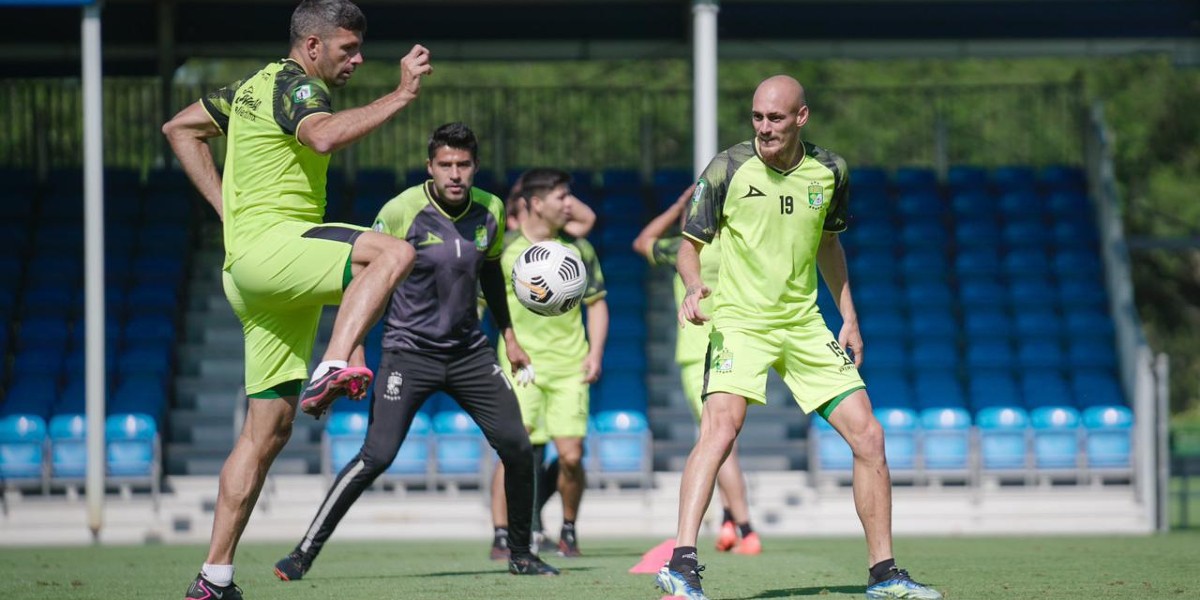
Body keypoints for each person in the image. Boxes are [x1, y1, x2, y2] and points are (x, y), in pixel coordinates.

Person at [161, 2, 431, 597]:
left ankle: (214, 575)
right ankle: (336, 362)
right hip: (279, 248)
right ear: (312, 46)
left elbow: (179, 128)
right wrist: (402, 95)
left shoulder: (251, 87)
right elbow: (325, 136)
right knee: (395, 253)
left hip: (252, 267)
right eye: (346, 49)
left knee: (267, 431)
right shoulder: (296, 87)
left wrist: (227, 211)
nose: (356, 59)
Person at [656, 75, 942, 600]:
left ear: (801, 118)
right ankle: (681, 563)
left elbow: (829, 245)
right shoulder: (727, 167)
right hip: (740, 321)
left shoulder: (831, 171)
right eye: (757, 118)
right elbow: (687, 246)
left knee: (869, 436)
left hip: (805, 323)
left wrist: (848, 316)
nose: (764, 128)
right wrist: (695, 287)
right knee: (721, 430)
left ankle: (884, 574)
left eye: (776, 118)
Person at [271, 122, 559, 579]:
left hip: (470, 354)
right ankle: (302, 553)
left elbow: (489, 275)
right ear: (430, 167)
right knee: (377, 456)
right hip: (408, 353)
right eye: (445, 164)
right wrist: (355, 349)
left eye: (464, 165)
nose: (455, 173)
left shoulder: (492, 210)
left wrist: (509, 336)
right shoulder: (401, 211)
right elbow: (361, 279)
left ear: (475, 167)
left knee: (518, 448)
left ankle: (522, 555)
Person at [632, 184, 761, 556]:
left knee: (718, 441)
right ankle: (726, 519)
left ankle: (745, 528)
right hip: (739, 347)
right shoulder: (739, 244)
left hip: (698, 354)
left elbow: (643, 241)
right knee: (722, 440)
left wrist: (674, 205)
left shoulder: (685, 249)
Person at [488, 168, 608, 558]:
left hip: (570, 365)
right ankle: (502, 533)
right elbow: (478, 307)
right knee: (515, 449)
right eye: (561, 198)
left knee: (571, 457)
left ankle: (569, 529)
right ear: (536, 204)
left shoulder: (579, 249)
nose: (569, 204)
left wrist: (595, 353)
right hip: (520, 366)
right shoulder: (504, 251)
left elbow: (598, 305)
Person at [504, 177, 597, 238]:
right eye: (528, 211)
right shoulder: (505, 249)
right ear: (512, 222)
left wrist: (557, 193)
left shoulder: (562, 239)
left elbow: (587, 218)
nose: (536, 217)